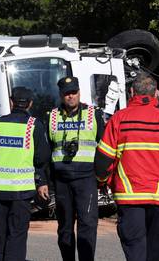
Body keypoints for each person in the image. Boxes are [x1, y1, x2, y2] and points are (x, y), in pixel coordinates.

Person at [95, 73, 159, 261]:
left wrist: (102, 181)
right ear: (155, 94)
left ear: (132, 91)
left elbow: (102, 160)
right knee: (153, 244)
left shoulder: (119, 119)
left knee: (135, 246)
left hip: (129, 195)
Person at [0, 87, 50, 261]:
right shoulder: (33, 125)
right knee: (17, 234)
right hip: (21, 191)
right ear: (30, 104)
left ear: (11, 102)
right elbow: (42, 157)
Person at [47, 76, 104, 261]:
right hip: (61, 180)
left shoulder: (93, 114)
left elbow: (104, 147)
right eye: (66, 94)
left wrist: (103, 177)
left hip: (86, 179)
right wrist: (46, 182)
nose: (70, 96)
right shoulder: (52, 116)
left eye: (73, 92)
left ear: (79, 92)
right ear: (61, 95)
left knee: (87, 226)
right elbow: (47, 152)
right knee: (64, 228)